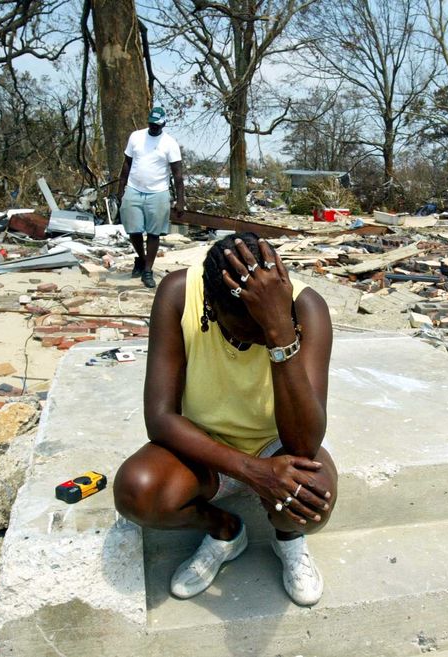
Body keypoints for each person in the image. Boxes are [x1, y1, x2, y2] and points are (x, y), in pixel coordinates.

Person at [113, 232, 336, 606]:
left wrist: (281, 333)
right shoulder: (179, 293)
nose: (256, 344)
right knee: (137, 490)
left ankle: (289, 540)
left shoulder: (307, 308)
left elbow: (305, 443)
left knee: (312, 499)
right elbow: (161, 418)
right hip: (204, 444)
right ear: (213, 310)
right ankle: (226, 532)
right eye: (245, 333)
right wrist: (252, 472)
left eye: (264, 336)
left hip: (276, 445)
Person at [117, 106, 185, 289]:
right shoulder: (136, 137)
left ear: (163, 124)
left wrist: (180, 201)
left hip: (158, 192)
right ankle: (141, 257)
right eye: (151, 124)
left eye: (157, 125)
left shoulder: (170, 143)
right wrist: (120, 188)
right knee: (134, 230)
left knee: (154, 233)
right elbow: (127, 164)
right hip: (134, 188)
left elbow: (177, 175)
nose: (153, 127)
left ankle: (147, 270)